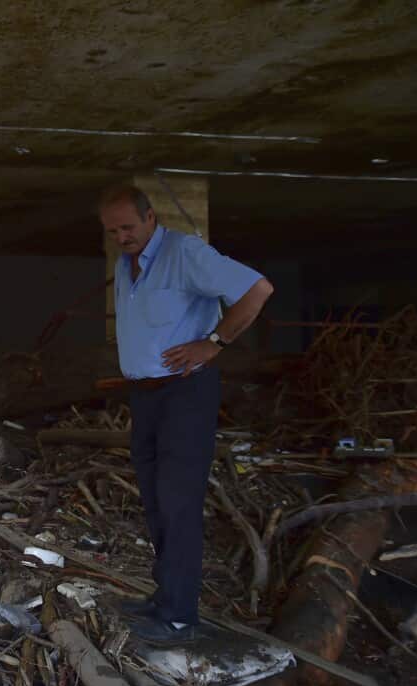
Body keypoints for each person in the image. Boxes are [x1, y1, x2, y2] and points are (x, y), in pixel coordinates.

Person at [99, 184, 273, 645]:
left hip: (185, 394)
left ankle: (178, 619)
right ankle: (164, 599)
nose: (121, 237)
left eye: (128, 227)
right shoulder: (126, 264)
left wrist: (213, 343)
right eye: (112, 230)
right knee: (156, 500)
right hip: (147, 397)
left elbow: (258, 289)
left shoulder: (185, 253)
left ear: (151, 217)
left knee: (178, 503)